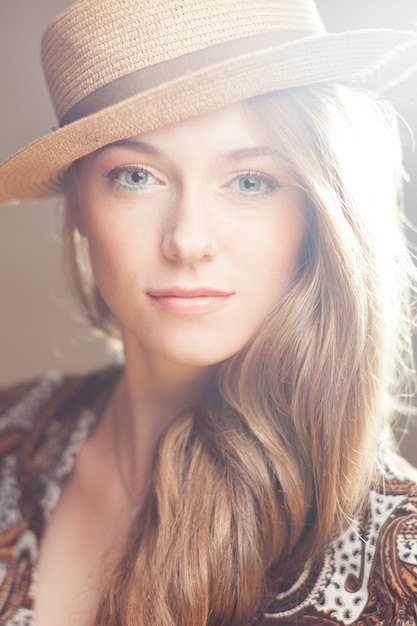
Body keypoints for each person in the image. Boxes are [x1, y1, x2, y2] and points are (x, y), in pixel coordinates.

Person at [0, 0, 417, 624]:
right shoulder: (9, 436)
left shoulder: (397, 549)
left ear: (314, 210)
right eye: (136, 176)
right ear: (79, 204)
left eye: (250, 182)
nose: (188, 240)